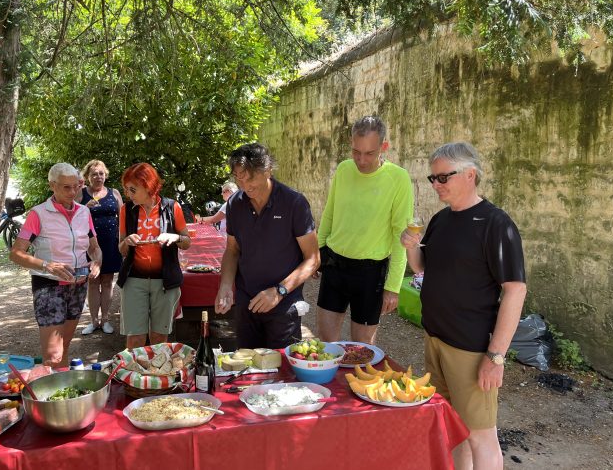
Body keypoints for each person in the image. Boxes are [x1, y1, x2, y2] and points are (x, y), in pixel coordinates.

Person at [400, 142, 527, 470]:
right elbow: (422, 268)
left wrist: (496, 356)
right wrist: (411, 247)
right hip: (436, 340)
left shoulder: (496, 224)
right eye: (433, 178)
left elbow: (515, 290)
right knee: (454, 429)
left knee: (481, 436)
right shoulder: (441, 220)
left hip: (471, 348)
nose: (436, 185)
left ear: (470, 175)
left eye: (444, 177)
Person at [316, 116, 413, 344]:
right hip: (334, 265)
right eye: (355, 151)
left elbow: (402, 236)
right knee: (325, 345)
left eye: (369, 153)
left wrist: (393, 287)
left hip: (371, 273)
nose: (361, 159)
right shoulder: (343, 169)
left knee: (362, 350)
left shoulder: (398, 178)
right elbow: (329, 214)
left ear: (384, 147)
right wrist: (317, 253)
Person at [214, 143, 319, 348]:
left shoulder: (294, 203)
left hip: (284, 304)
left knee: (283, 372)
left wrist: (279, 291)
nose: (245, 185)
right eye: (239, 178)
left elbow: (313, 259)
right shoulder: (235, 203)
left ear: (268, 170)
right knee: (247, 368)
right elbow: (232, 250)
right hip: (247, 302)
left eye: (250, 177)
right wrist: (226, 285)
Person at [9, 163, 102, 368]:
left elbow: (95, 247)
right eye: (66, 187)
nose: (73, 192)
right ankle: (47, 396)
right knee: (53, 355)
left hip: (78, 285)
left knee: (65, 347)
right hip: (49, 285)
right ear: (52, 185)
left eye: (76, 186)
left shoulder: (84, 213)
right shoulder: (39, 214)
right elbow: (16, 254)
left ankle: (62, 395)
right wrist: (46, 265)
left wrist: (97, 261)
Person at [116, 163, 191, 349]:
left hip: (165, 281)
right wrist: (127, 242)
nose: (128, 195)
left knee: (159, 338)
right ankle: (134, 377)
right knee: (135, 339)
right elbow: (121, 249)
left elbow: (187, 242)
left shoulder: (172, 207)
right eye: (127, 190)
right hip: (134, 279)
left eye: (133, 190)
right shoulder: (126, 210)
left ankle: (156, 376)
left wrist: (175, 237)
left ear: (148, 186)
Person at [78, 160, 123, 335]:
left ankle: (105, 320)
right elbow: (70, 214)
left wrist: (122, 241)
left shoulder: (114, 193)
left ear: (106, 175)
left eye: (101, 173)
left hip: (111, 243)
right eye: (94, 174)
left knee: (107, 281)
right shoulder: (81, 194)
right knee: (92, 281)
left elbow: (123, 217)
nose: (98, 177)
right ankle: (93, 321)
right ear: (88, 177)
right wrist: (83, 208)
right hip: (89, 244)